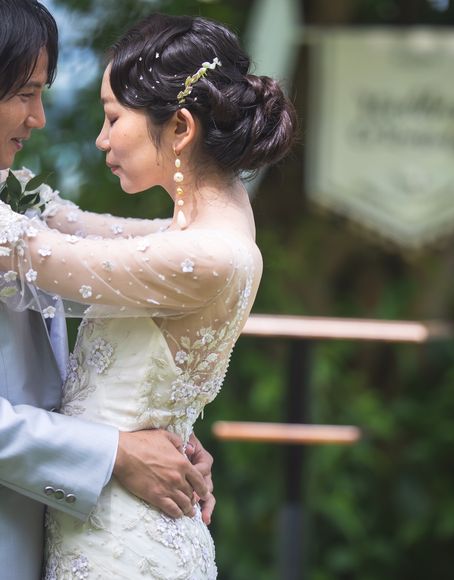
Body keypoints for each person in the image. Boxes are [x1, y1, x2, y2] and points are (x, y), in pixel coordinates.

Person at [0, 9, 296, 580]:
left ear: (180, 128)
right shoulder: (201, 242)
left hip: (116, 543)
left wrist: (140, 437)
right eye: (25, 93)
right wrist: (128, 442)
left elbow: (43, 250)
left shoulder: (207, 254)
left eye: (113, 117)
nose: (99, 138)